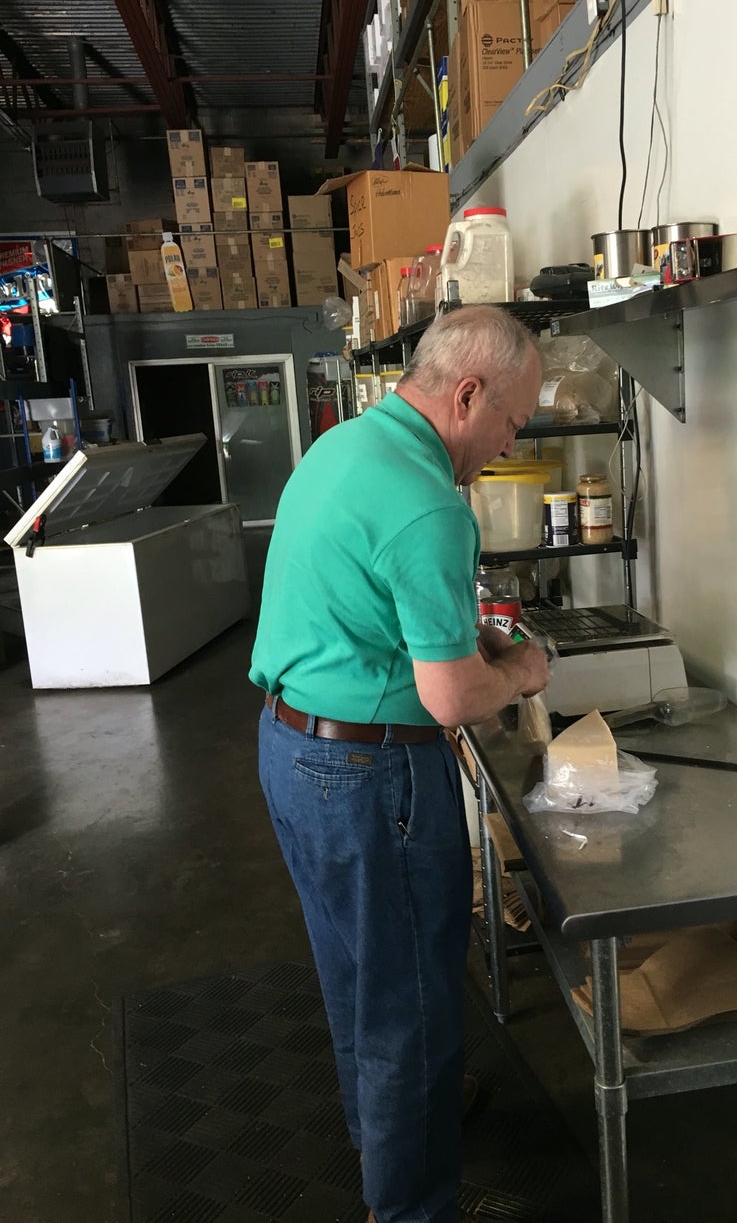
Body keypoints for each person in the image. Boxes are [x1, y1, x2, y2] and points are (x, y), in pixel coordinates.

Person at [250, 304, 551, 1223]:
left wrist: (466, 642)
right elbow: (451, 698)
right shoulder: (428, 503)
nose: (509, 444)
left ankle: (381, 1127)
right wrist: (524, 670)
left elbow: (369, 609)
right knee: (411, 1003)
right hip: (370, 779)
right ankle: (410, 1201)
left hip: (290, 748)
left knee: (356, 971)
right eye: (511, 422)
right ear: (468, 395)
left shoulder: (343, 448)